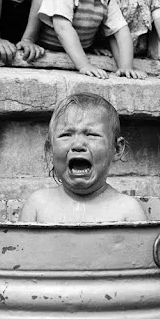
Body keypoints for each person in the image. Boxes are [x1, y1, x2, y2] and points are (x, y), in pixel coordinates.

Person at [18, 93, 147, 223]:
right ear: (50, 149)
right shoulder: (37, 206)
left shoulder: (127, 211)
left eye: (91, 134)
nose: (78, 145)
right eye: (66, 135)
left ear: (117, 149)